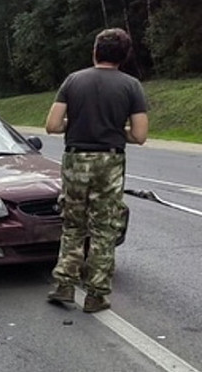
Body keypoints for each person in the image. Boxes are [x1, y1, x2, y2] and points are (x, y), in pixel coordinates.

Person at [44, 28, 148, 313]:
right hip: (110, 161)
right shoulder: (131, 86)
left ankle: (64, 284)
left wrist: (76, 124)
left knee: (73, 223)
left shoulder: (73, 80)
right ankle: (96, 294)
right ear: (124, 56)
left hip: (76, 159)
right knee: (104, 228)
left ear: (95, 51)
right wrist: (115, 129)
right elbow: (140, 135)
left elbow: (52, 126)